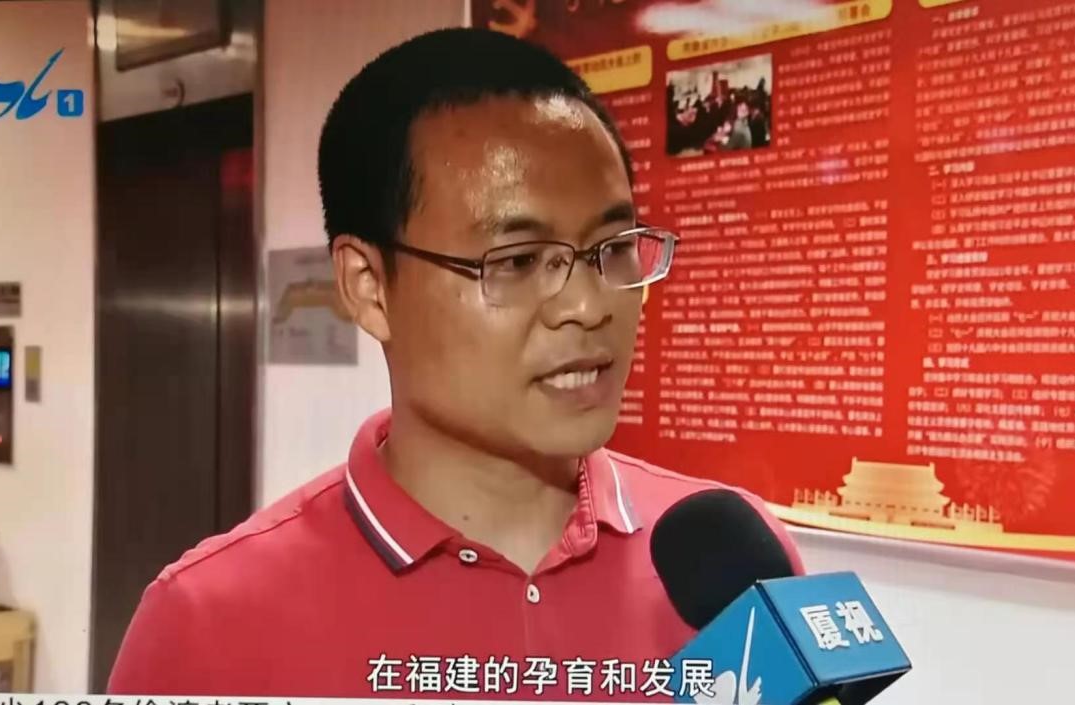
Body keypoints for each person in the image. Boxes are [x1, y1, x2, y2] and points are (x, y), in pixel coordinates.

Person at [108, 28, 802, 698]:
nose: (589, 306)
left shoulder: (735, 567)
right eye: (518, 261)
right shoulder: (208, 623)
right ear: (368, 287)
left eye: (614, 248)